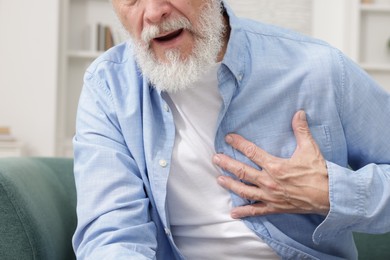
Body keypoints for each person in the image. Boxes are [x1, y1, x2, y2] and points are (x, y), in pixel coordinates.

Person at [72, 0, 390, 259]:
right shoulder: (108, 86)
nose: (154, 12)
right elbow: (113, 233)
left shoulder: (318, 68)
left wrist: (330, 193)